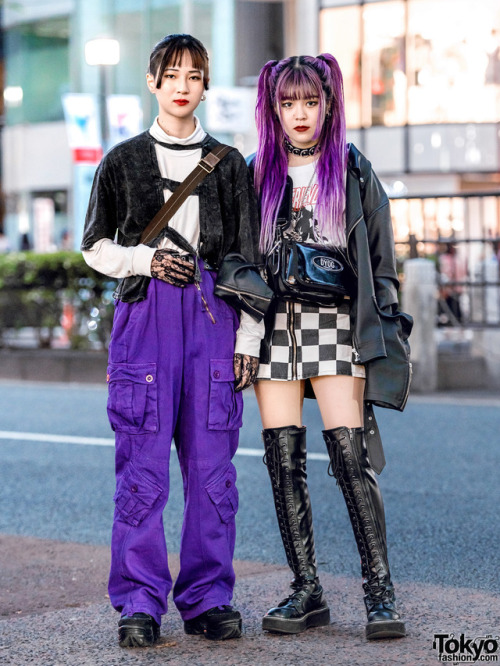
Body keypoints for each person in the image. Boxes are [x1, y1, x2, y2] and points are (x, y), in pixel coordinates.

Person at [81, 34, 262, 648]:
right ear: (153, 82)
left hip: (214, 316)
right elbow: (94, 246)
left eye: (194, 75)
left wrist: (250, 338)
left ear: (206, 85)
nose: (183, 85)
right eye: (171, 74)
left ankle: (210, 597)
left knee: (214, 469)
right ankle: (139, 601)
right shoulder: (122, 161)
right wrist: (143, 259)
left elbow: (247, 257)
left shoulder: (230, 164)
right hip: (145, 315)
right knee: (142, 466)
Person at [249, 54, 410, 640]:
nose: (299, 114)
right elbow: (238, 259)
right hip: (273, 331)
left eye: (309, 101)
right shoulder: (255, 173)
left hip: (336, 326)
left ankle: (379, 590)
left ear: (328, 104)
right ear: (273, 108)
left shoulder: (353, 170)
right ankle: (306, 588)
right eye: (288, 103)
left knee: (350, 456)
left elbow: (384, 263)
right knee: (282, 459)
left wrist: (385, 327)